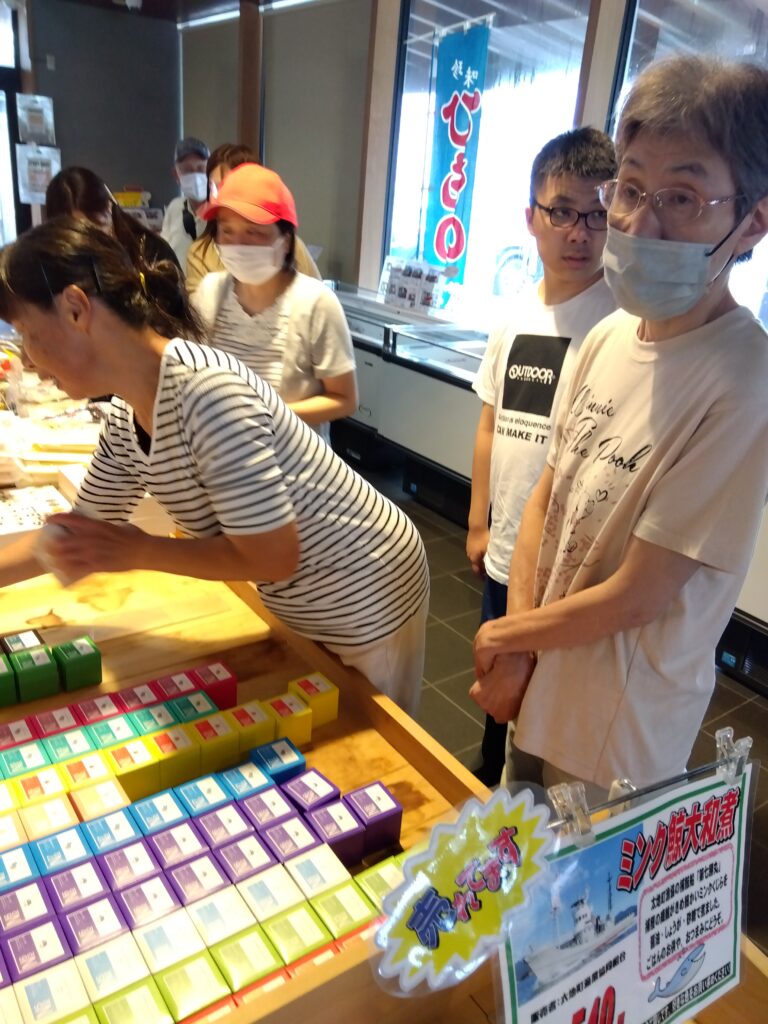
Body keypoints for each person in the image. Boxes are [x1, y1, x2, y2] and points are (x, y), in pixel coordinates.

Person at [470, 55, 768, 801]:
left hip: (618, 731)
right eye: (630, 189)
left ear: (753, 220)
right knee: (511, 849)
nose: (639, 223)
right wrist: (522, 649)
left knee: (578, 871)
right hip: (541, 679)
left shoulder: (744, 378)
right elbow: (546, 498)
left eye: (682, 197)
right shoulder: (609, 336)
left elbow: (641, 593)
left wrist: (509, 635)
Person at [0, 216, 429, 716]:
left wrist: (136, 549)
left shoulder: (206, 393)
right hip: (300, 592)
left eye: (27, 332)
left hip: (366, 586)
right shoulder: (125, 418)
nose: (29, 359)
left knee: (370, 729)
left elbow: (272, 556)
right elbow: (68, 536)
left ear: (76, 308)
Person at [467, 128, 617, 787]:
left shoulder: (619, 323)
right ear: (531, 216)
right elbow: (490, 423)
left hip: (567, 566)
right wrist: (476, 520)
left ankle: (526, 789)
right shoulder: (513, 317)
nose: (578, 233)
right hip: (507, 545)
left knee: (545, 691)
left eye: (595, 215)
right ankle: (490, 769)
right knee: (495, 662)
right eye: (562, 212)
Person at [192, 163, 357, 440]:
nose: (237, 244)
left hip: (291, 461)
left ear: (286, 241)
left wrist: (268, 415)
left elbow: (345, 399)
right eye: (227, 231)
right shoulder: (209, 292)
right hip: (217, 456)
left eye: (253, 232)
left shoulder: (316, 303)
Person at [186, 144, 321, 291]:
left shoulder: (287, 246)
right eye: (215, 187)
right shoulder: (201, 255)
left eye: (233, 187)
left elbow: (316, 292)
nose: (223, 196)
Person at [46, 166, 180, 271]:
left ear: (109, 207)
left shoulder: (153, 252)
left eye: (95, 230)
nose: (88, 242)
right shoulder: (56, 262)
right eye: (75, 234)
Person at [161, 137, 210, 266]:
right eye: (187, 170)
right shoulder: (174, 208)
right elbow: (164, 251)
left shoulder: (223, 213)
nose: (195, 176)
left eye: (201, 168)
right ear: (176, 175)